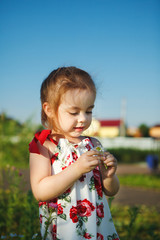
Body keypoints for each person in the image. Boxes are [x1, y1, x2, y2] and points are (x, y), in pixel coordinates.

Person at [29, 66, 120, 240]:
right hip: (64, 227)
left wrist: (109, 176)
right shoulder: (45, 145)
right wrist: (76, 169)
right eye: (74, 112)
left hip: (96, 225)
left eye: (89, 111)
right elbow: (40, 191)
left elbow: (111, 191)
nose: (83, 119)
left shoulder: (93, 144)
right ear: (49, 110)